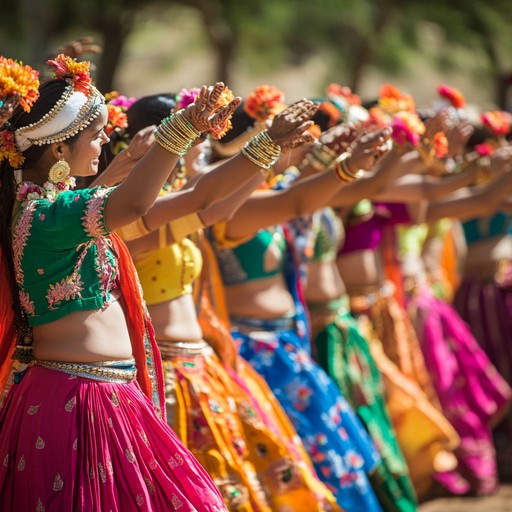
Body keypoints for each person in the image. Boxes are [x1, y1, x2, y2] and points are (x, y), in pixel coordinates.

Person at [0, 53, 270, 511]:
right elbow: (131, 207)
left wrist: (268, 147)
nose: (103, 140)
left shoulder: (58, 210)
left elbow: (196, 198)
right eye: (94, 134)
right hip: (78, 403)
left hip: (105, 397)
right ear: (59, 150)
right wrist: (178, 131)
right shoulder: (44, 216)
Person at [110, 93, 342, 511]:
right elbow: (203, 202)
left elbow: (211, 207)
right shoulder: (122, 217)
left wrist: (275, 156)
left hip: (201, 366)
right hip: (158, 375)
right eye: (193, 139)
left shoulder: (169, 204)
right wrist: (267, 148)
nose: (200, 149)